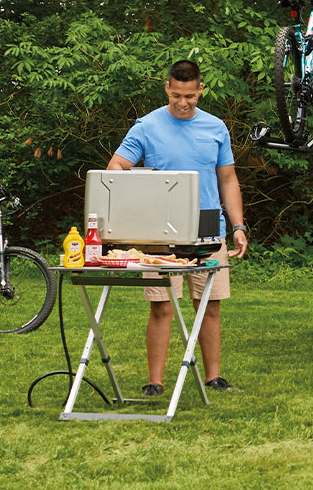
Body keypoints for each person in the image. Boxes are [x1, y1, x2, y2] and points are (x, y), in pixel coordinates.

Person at [106, 59, 250, 395]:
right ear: (167, 88)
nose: (183, 103)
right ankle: (155, 382)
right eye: (176, 96)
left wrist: (238, 226)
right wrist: (140, 199)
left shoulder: (216, 128)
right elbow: (116, 167)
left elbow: (228, 179)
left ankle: (213, 378)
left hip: (207, 226)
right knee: (161, 305)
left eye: (190, 96)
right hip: (160, 232)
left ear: (200, 89)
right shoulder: (146, 126)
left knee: (209, 305)